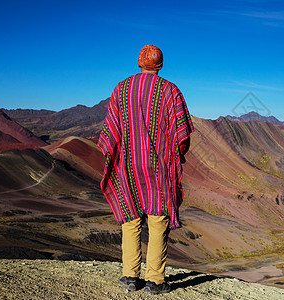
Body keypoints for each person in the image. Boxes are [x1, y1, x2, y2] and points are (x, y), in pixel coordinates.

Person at [98, 45, 194, 294]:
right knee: (158, 220)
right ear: (160, 65)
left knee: (130, 220)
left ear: (138, 63)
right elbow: (182, 135)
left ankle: (130, 277)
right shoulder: (171, 91)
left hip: (127, 166)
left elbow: (110, 130)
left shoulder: (120, 89)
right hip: (158, 168)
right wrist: (175, 154)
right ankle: (155, 280)